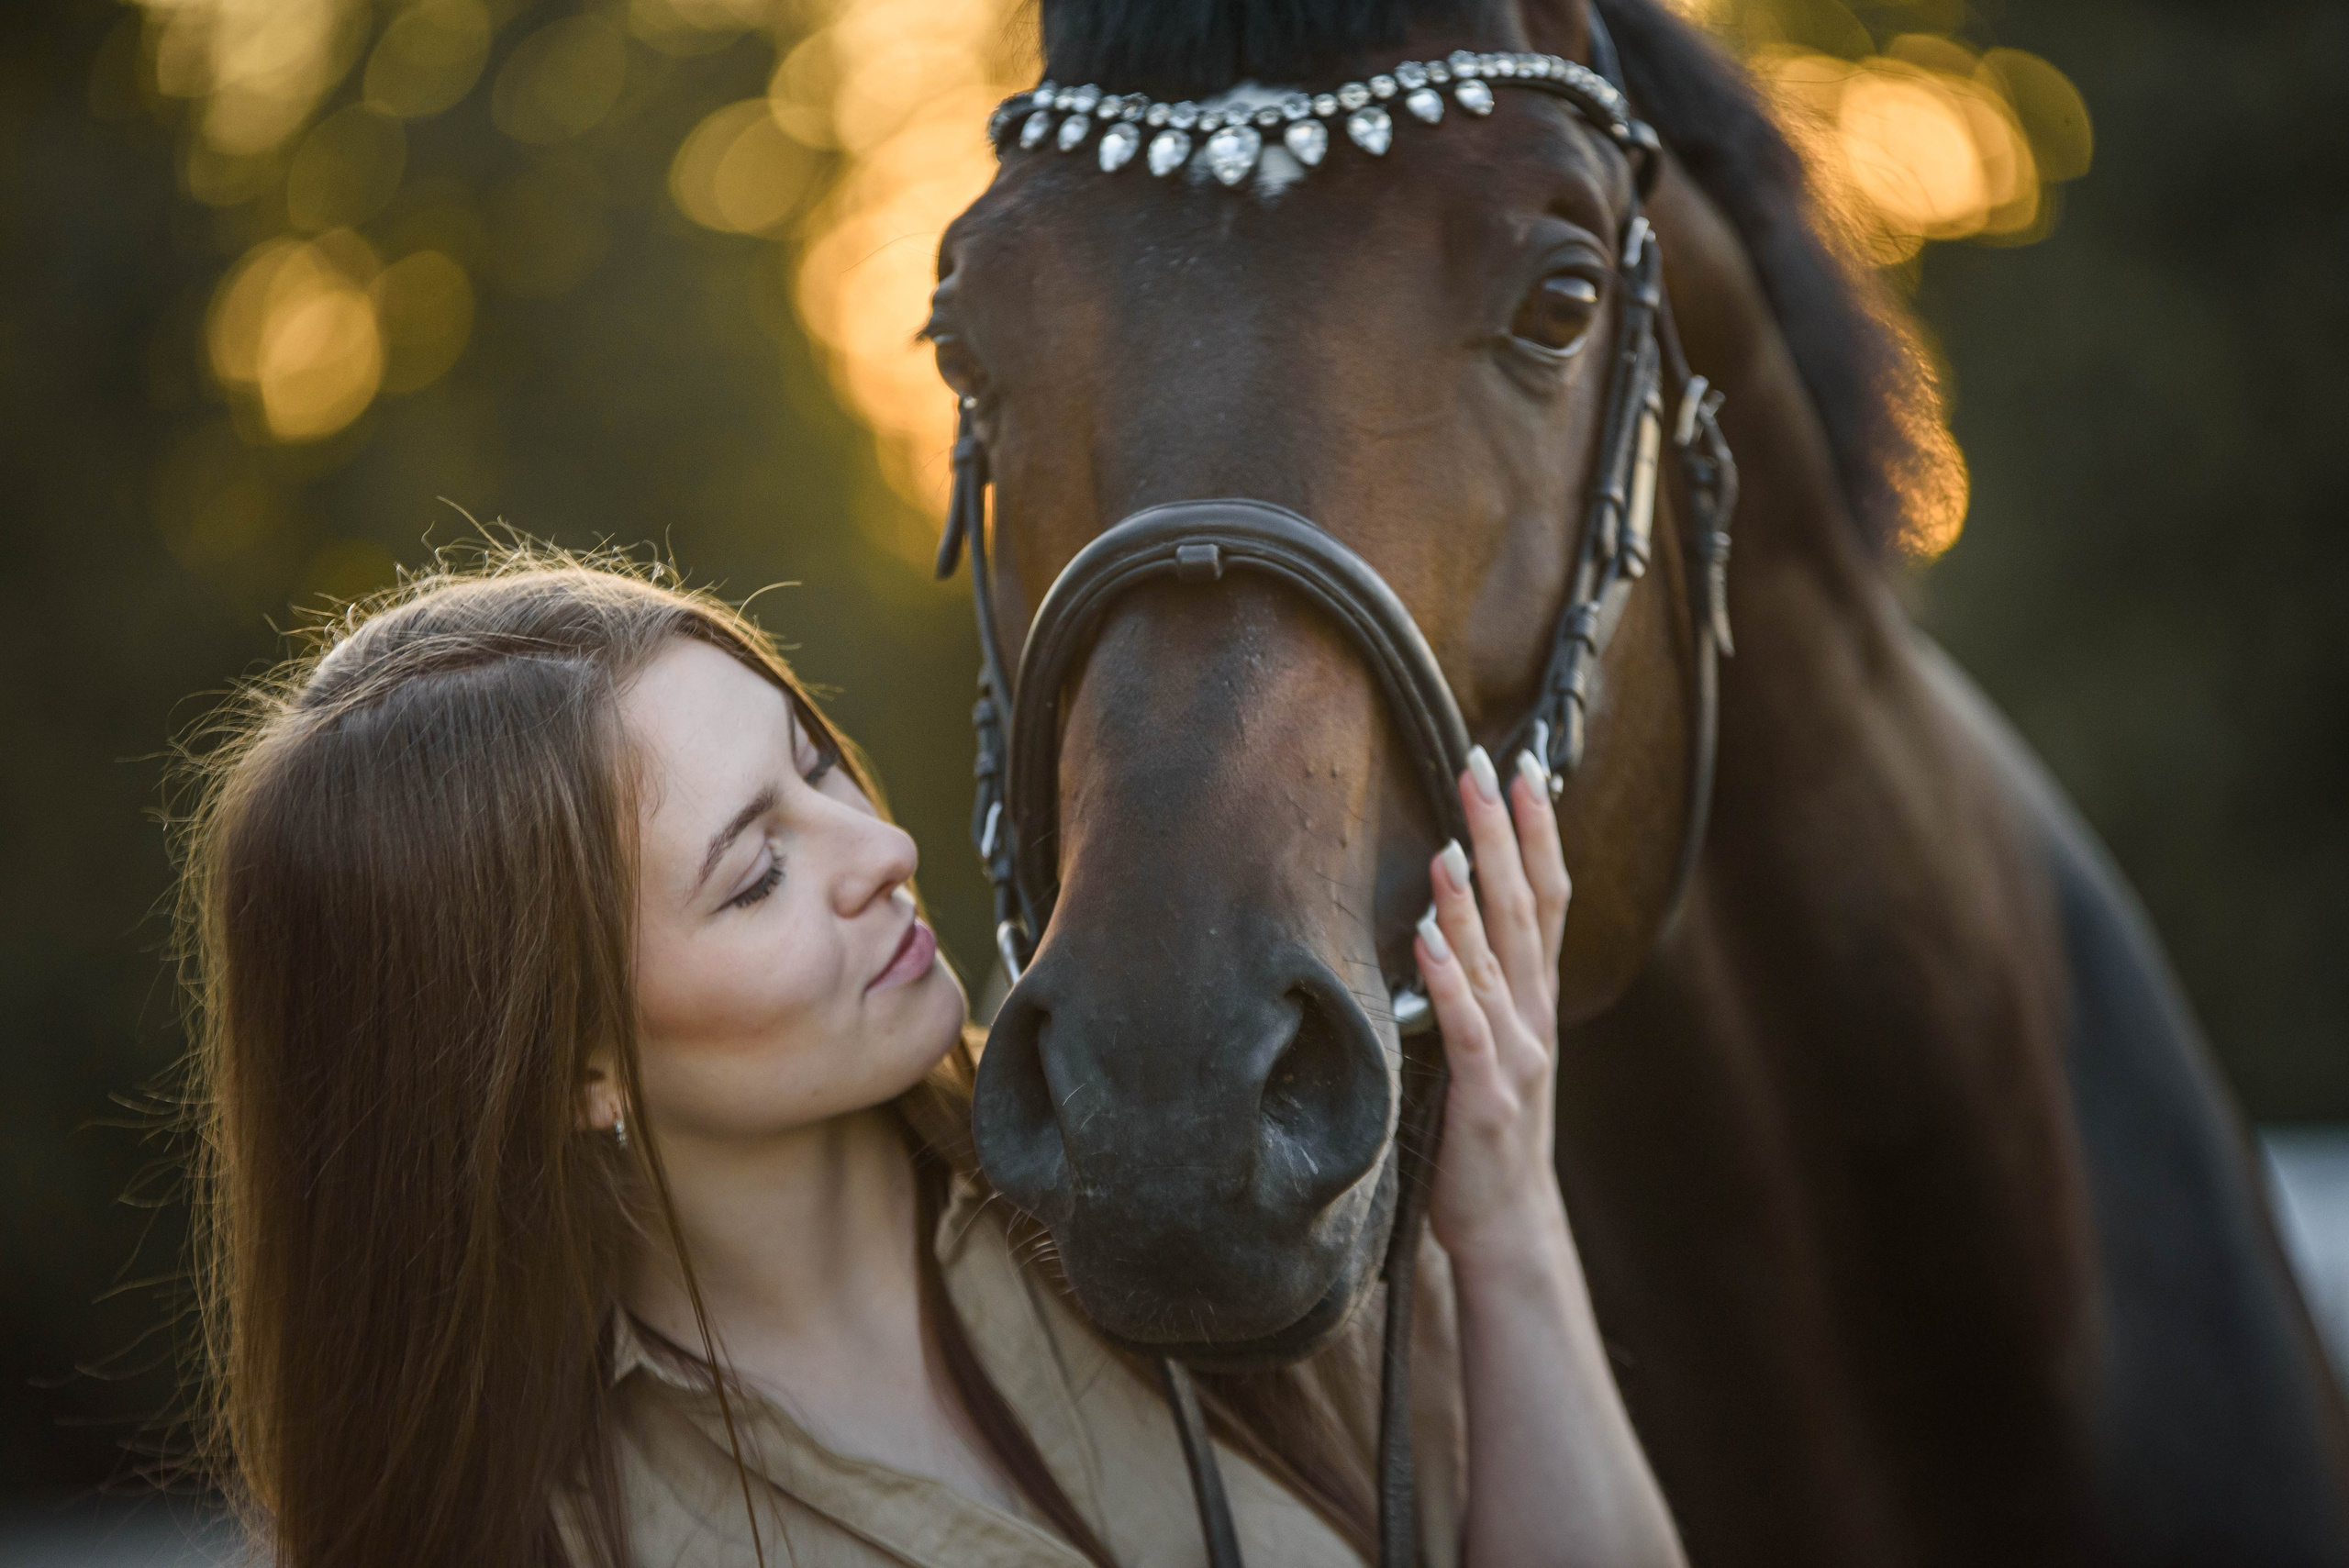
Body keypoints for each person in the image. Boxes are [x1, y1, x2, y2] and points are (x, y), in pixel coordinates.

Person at [174, 544, 1682, 1568]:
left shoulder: (1189, 1179)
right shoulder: (551, 1536)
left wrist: (1499, 1210)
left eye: (817, 762)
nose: (885, 850)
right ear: (579, 1066)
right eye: (755, 871)